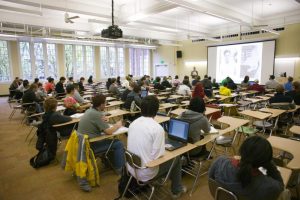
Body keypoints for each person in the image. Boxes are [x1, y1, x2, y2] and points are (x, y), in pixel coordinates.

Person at [127, 96, 187, 198]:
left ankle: (161, 179)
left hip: (131, 167)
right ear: (157, 110)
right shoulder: (157, 129)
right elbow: (157, 157)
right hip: (145, 173)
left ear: (141, 109)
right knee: (176, 158)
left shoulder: (133, 123)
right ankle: (176, 190)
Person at [209, 136, 285, 200]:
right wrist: (269, 163)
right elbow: (281, 187)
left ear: (241, 151)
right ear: (266, 162)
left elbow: (210, 179)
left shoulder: (219, 162)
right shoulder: (270, 187)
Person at [77, 94, 124, 174]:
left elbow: (97, 124)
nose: (106, 105)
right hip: (91, 145)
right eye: (105, 103)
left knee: (110, 141)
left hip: (84, 143)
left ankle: (108, 163)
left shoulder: (89, 110)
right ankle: (120, 169)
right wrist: (117, 125)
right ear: (101, 104)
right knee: (118, 143)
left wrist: (104, 121)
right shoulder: (97, 114)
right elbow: (109, 132)